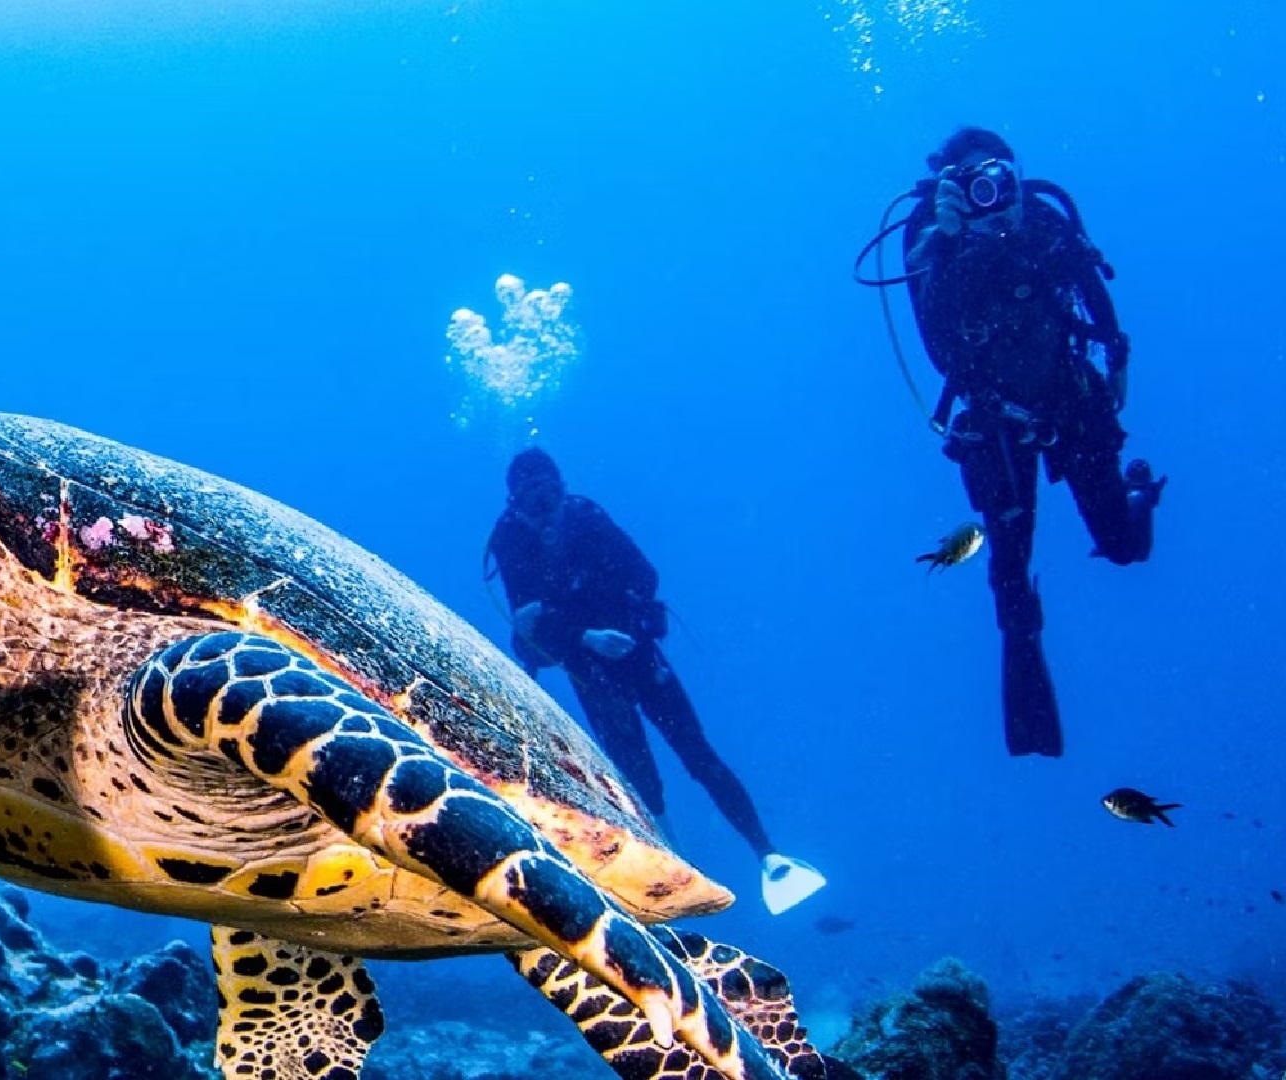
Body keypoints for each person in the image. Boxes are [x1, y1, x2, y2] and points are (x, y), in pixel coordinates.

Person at [898, 126, 1166, 758]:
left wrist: (1118, 350)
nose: (992, 188)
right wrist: (957, 245)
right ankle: (1034, 730)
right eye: (973, 179)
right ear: (950, 186)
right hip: (996, 425)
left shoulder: (1042, 218)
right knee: (1009, 579)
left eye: (1000, 173)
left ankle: (1139, 497)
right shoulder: (933, 238)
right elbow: (937, 348)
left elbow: (1094, 288)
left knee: (1124, 548)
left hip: (1072, 402)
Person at [485, 448, 824, 914]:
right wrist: (584, 636)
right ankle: (671, 876)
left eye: (553, 494)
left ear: (563, 487)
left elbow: (644, 574)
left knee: (700, 756)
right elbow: (527, 630)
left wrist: (616, 620)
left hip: (637, 653)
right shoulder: (510, 541)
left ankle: (770, 856)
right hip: (591, 673)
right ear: (515, 501)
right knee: (640, 782)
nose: (546, 508)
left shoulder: (585, 516)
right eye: (534, 499)